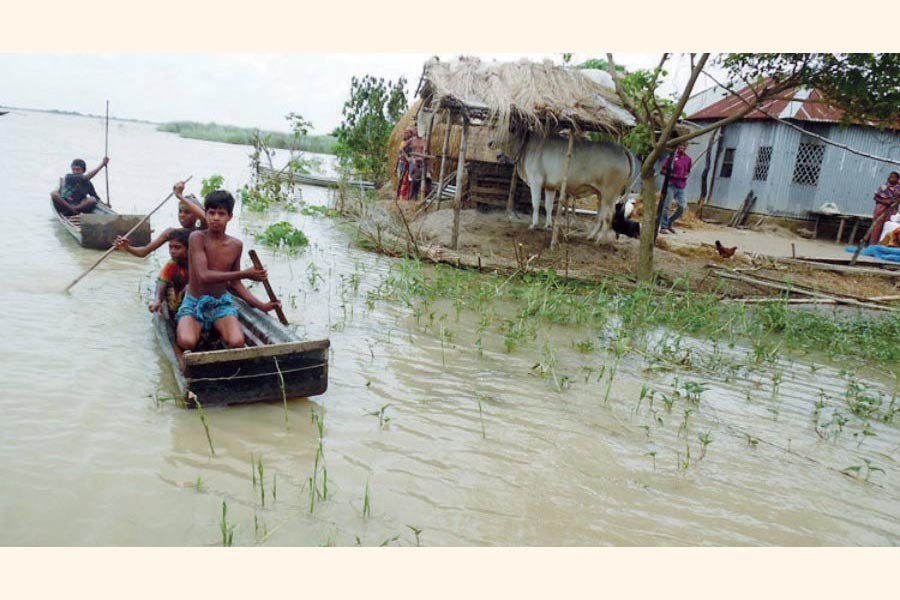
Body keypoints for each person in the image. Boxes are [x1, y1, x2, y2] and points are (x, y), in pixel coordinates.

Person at [175, 190, 280, 354]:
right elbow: (204, 275)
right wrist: (246, 273)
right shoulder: (197, 237)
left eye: (221, 214)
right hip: (194, 302)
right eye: (211, 213)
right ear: (206, 214)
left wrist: (262, 306)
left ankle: (216, 333)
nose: (216, 218)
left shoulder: (236, 245)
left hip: (220, 303)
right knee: (187, 342)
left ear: (230, 216)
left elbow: (236, 284)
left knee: (237, 341)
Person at [115, 181, 207, 257]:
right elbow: (144, 252)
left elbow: (205, 218)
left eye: (187, 212)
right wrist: (127, 247)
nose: (182, 215)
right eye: (180, 211)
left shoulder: (202, 231)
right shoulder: (172, 233)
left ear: (196, 215)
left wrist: (180, 196)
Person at [149, 227, 191, 316]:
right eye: (170, 247)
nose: (172, 251)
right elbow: (162, 280)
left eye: (177, 248)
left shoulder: (199, 263)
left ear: (189, 249)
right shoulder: (173, 263)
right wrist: (158, 300)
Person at [659, 143, 693, 234]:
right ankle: (663, 226)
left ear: (686, 147)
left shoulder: (688, 159)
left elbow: (688, 171)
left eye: (683, 146)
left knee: (682, 207)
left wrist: (686, 176)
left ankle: (670, 222)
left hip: (681, 185)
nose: (681, 148)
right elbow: (662, 170)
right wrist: (671, 174)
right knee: (666, 206)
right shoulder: (671, 157)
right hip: (671, 184)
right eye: (680, 146)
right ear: (677, 147)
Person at [869, 171, 900, 245]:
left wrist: (895, 201)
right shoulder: (883, 187)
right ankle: (872, 245)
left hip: (892, 210)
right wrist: (885, 201)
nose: (892, 178)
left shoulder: (898, 189)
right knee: (877, 227)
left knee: (888, 227)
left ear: (898, 179)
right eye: (890, 177)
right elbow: (876, 197)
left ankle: (883, 244)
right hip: (881, 209)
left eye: (894, 177)